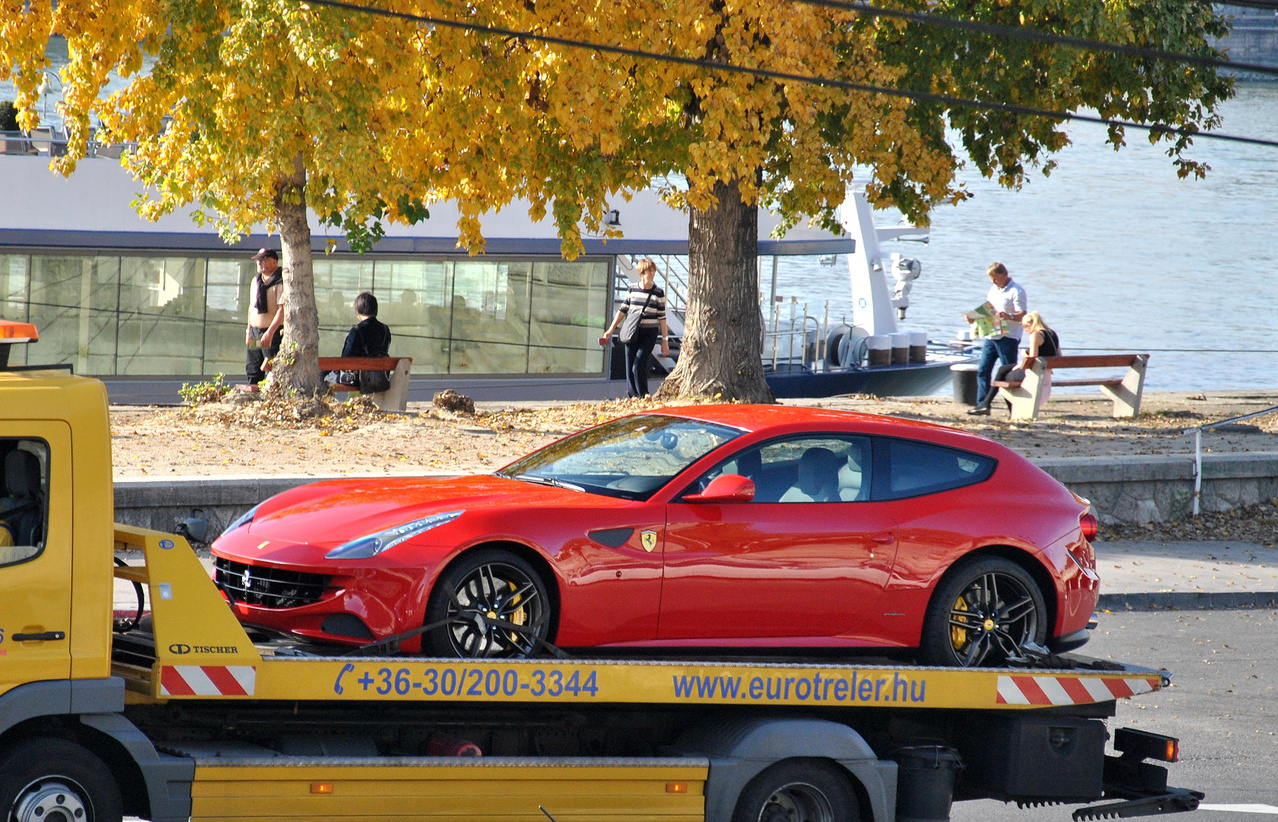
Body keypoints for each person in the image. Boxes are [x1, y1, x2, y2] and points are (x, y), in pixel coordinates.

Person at [598, 258, 670, 398]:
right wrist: (611, 329)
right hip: (631, 331)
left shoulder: (658, 293)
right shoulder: (632, 289)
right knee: (630, 365)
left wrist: (665, 341)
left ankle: (643, 395)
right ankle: (633, 396)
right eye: (649, 270)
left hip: (649, 333)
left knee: (638, 364)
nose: (652, 273)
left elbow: (662, 317)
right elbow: (623, 310)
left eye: (653, 270)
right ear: (642, 272)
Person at [969, 311, 1060, 415]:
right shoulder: (1052, 334)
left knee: (1004, 375)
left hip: (1035, 373)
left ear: (1030, 325)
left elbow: (1033, 359)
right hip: (1046, 371)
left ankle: (987, 404)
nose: (1026, 331)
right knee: (1003, 369)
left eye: (1025, 328)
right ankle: (986, 404)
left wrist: (1024, 354)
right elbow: (1058, 356)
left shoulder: (1036, 335)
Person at [967, 261, 1027, 413]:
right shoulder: (993, 290)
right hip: (991, 334)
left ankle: (1013, 406)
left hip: (1008, 336)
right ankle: (983, 404)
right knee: (983, 370)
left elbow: (1023, 315)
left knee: (1009, 372)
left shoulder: (1016, 290)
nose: (993, 281)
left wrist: (1009, 316)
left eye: (996, 278)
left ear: (1004, 275)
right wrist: (974, 317)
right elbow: (988, 309)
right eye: (991, 279)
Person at [326, 292, 392, 392]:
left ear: (358, 312)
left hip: (358, 379)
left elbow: (345, 359)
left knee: (322, 372)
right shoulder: (385, 329)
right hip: (380, 377)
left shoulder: (356, 331)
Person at [244, 248, 284, 389]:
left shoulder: (280, 281)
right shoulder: (256, 281)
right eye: (258, 260)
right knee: (254, 365)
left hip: (272, 333)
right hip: (256, 332)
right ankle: (252, 392)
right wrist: (249, 330)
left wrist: (270, 332)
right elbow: (251, 307)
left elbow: (282, 310)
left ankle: (272, 395)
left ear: (274, 261)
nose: (259, 263)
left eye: (263, 259)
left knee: (272, 366)